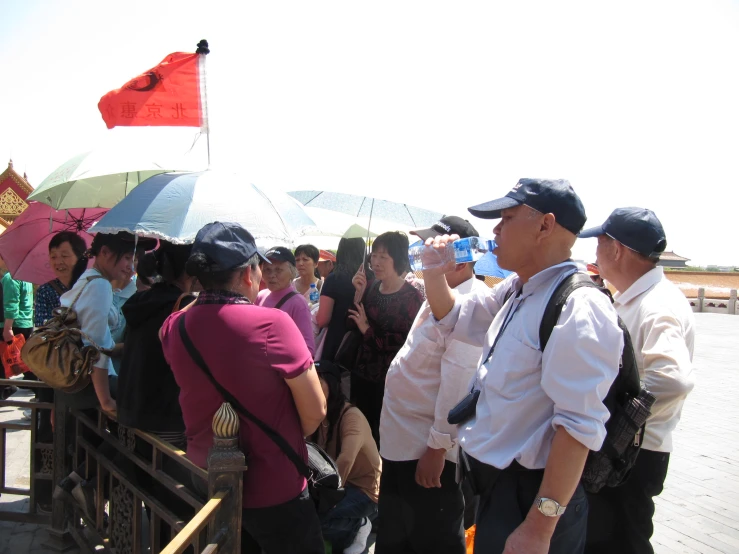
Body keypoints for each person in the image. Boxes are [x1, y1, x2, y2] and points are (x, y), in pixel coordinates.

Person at [421, 178, 623, 554]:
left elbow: (578, 428)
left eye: (507, 217)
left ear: (545, 225)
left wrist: (539, 528)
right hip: (500, 490)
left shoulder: (579, 308)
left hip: (532, 498)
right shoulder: (518, 288)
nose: (495, 230)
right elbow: (456, 317)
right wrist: (433, 273)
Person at [160, 222, 326, 554]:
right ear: (249, 275)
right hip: (272, 484)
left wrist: (203, 294)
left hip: (205, 476)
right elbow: (315, 412)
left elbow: (188, 314)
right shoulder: (273, 324)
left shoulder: (174, 327)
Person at [578, 208, 695, 554]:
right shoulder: (639, 298)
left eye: (599, 244)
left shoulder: (657, 305)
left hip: (633, 455)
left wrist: (617, 417)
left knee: (622, 543)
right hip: (627, 451)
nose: (595, 253)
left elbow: (673, 379)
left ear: (617, 250)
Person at [377, 216, 488, 554]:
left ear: (465, 255)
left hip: (426, 453)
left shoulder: (473, 304)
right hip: (402, 444)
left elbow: (458, 382)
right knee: (398, 537)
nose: (427, 253)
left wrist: (438, 448)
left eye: (438, 247)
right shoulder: (439, 293)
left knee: (432, 538)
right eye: (427, 246)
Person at [53, 231, 157, 515]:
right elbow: (96, 347)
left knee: (127, 436)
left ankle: (80, 481)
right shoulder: (99, 286)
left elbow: (101, 343)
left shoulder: (87, 281)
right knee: (140, 428)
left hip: (77, 385)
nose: (131, 266)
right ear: (106, 254)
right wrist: (107, 401)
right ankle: (85, 483)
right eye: (126, 258)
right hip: (92, 385)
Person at [117, 241, 196, 448]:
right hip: (164, 416)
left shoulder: (141, 300)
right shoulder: (184, 306)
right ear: (189, 271)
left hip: (130, 411)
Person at [349, 231, 423, 442]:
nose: (376, 262)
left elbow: (403, 342)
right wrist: (357, 293)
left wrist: (367, 330)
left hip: (389, 379)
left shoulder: (412, 297)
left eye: (383, 256)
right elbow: (352, 323)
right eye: (374, 255)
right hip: (362, 372)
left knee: (382, 434)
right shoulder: (371, 287)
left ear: (397, 260)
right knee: (360, 428)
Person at [311, 361, 381, 554]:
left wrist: (324, 497)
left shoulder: (351, 416)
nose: (311, 389)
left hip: (364, 490)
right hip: (336, 486)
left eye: (317, 382)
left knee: (316, 521)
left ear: (332, 385)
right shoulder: (316, 414)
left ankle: (358, 525)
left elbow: (346, 459)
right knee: (301, 516)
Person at [256, 246, 316, 356]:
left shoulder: (298, 303)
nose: (271, 275)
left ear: (292, 272)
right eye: (267, 270)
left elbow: (308, 349)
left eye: (278, 270)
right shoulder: (260, 296)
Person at [316, 238, 365, 362]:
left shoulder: (334, 279)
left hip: (337, 344)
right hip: (363, 343)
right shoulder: (371, 278)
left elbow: (322, 320)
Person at [34, 231, 88, 326]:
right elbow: (41, 326)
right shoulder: (45, 291)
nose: (58, 262)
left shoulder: (91, 286)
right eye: (53, 257)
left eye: (64, 256)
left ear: (80, 257)